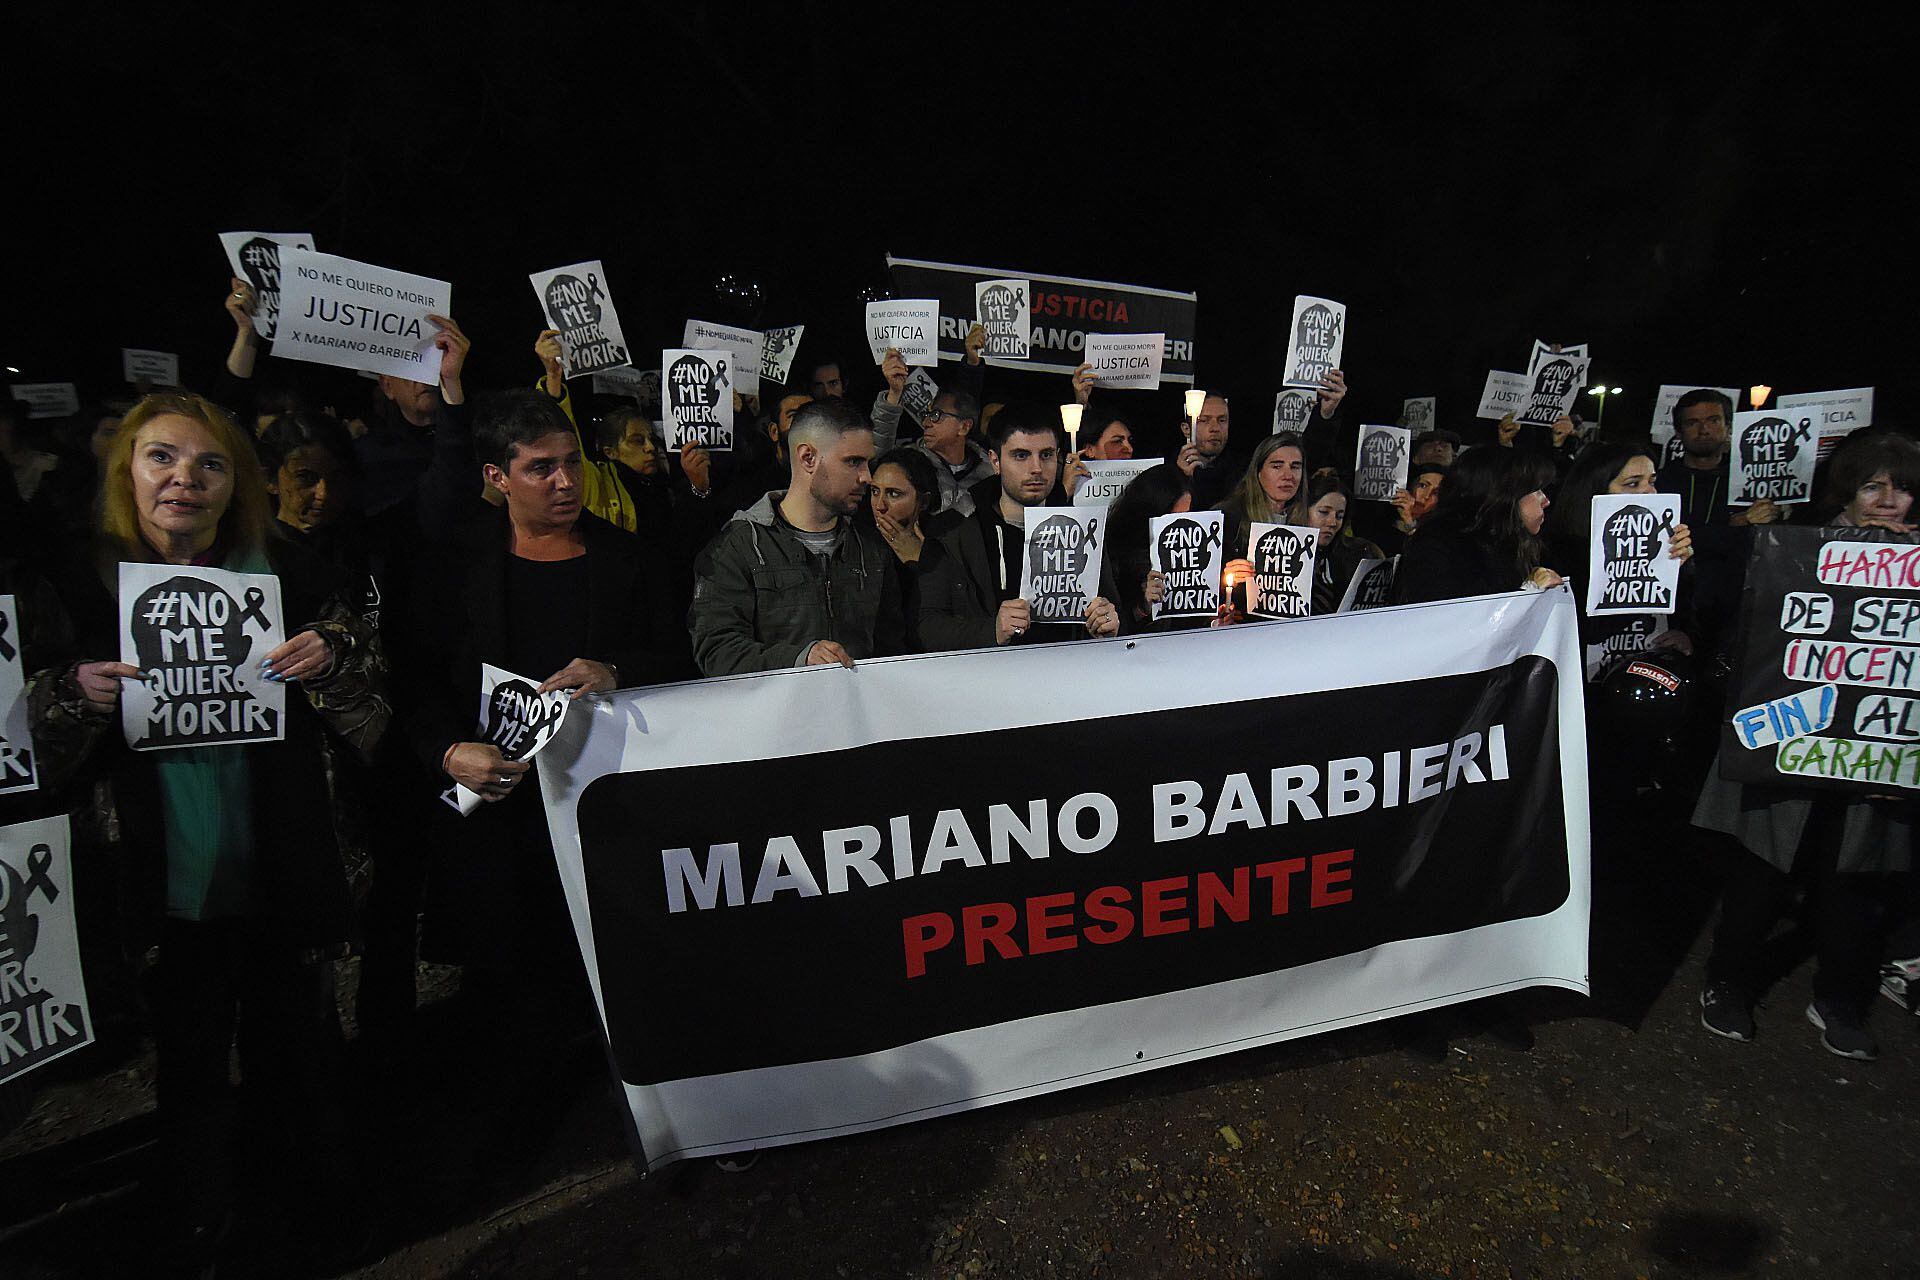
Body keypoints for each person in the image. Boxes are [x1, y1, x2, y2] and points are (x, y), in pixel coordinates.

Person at [49, 391, 387, 1270]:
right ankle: (203, 1221)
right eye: (162, 458)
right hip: (162, 883)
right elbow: (32, 745)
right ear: (128, 471)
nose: (183, 480)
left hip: (281, 871)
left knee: (300, 1061)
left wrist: (333, 655)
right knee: (191, 1072)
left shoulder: (286, 573)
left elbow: (371, 712)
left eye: (208, 464)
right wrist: (71, 697)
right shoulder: (81, 583)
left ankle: (312, 1219)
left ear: (235, 481)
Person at [1695, 431, 1920, 1060]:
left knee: (1855, 881)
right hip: (1787, 741)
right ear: (1846, 490)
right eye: (1873, 485)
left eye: (1901, 487)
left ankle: (1840, 999)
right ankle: (1728, 983)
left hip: (1876, 751)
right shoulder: (1793, 549)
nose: (1889, 500)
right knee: (1763, 871)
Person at [689, 398, 907, 673]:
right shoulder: (738, 547)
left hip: (857, 711)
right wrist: (799, 661)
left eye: (867, 463)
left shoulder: (870, 548)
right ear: (808, 458)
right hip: (775, 713)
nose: (866, 476)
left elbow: (893, 650)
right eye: (853, 462)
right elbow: (716, 650)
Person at [917, 402, 1124, 651]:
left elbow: (1115, 614)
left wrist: (1110, 625)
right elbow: (925, 627)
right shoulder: (952, 531)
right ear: (995, 461)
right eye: (1021, 455)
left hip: (1069, 678)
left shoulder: (1083, 529)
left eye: (1046, 455)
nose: (1036, 468)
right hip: (988, 682)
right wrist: (991, 630)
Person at [1392, 446, 1562, 602]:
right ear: (1502, 496)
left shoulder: (1512, 543)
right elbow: (1454, 624)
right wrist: (1528, 594)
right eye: (1536, 491)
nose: (1546, 501)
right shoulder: (1437, 549)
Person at [1106, 463, 1192, 628]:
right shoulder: (1113, 556)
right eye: (1171, 519)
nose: (1180, 527)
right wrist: (1143, 607)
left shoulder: (1193, 550)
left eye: (1186, 515)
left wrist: (1215, 620)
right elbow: (1117, 628)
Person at [1297, 475, 1384, 614]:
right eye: (1324, 512)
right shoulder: (1283, 556)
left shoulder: (1358, 555)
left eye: (1339, 516)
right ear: (1302, 510)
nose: (1332, 523)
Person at [1218, 431, 1308, 562]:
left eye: (1295, 467)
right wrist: (1226, 574)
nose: (1288, 476)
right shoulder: (1228, 517)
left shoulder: (1306, 518)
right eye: (1277, 466)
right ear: (1258, 472)